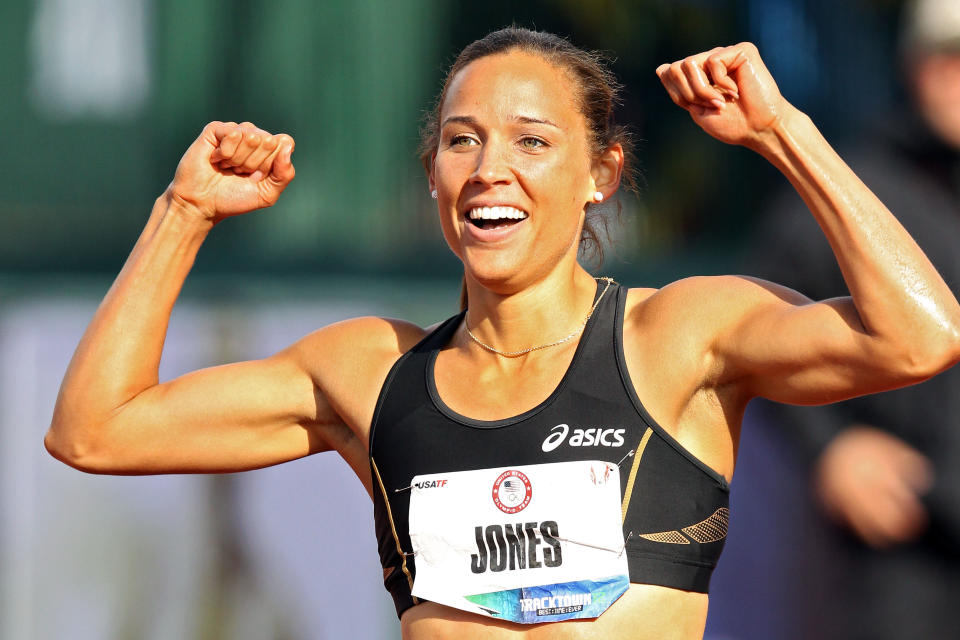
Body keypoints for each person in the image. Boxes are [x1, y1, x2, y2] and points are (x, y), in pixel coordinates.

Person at [44, 27, 960, 640]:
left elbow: (918, 337)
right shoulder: (373, 371)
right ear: (433, 176)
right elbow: (94, 430)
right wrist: (183, 212)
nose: (490, 172)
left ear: (602, 172)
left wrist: (783, 134)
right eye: (460, 141)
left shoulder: (678, 334)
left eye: (531, 142)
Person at [748, 0, 960, 637]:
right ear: (913, 67)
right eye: (947, 58)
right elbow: (760, 327)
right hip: (907, 537)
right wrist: (832, 446)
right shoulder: (859, 190)